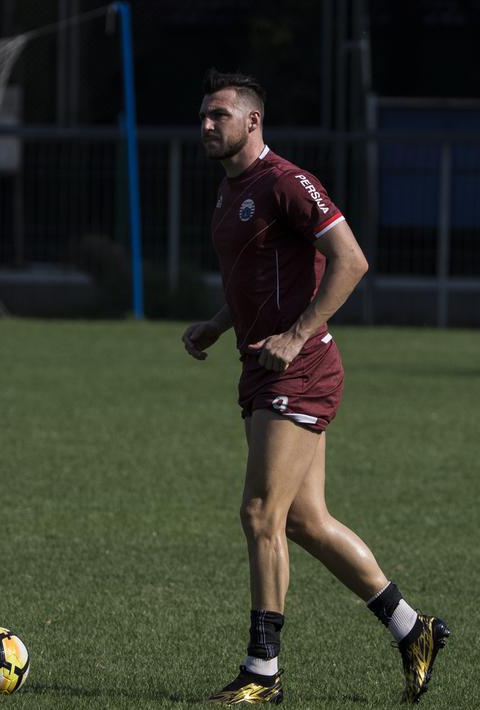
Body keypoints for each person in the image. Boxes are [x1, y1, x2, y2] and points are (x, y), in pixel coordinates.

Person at [183, 69, 450, 705]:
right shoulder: (230, 193)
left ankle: (261, 673)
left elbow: (351, 261)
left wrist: (297, 335)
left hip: (298, 370)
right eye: (203, 114)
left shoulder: (286, 182)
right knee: (304, 520)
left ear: (252, 121)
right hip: (261, 367)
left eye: (218, 114)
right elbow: (253, 278)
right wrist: (220, 325)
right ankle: (414, 630)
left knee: (259, 514)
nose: (206, 125)